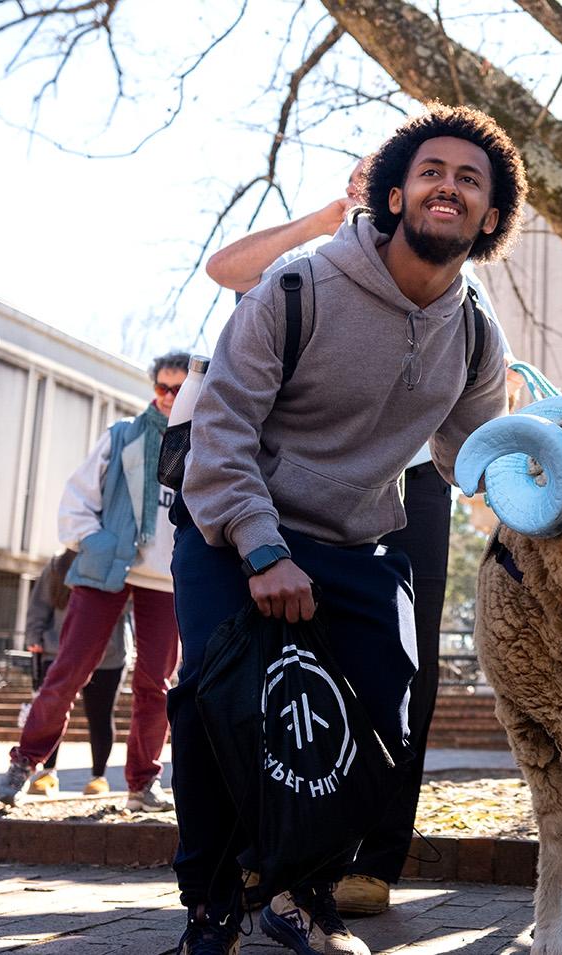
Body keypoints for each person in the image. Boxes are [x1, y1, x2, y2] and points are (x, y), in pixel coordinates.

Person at [170, 104, 520, 955]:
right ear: (394, 196)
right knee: (221, 709)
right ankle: (213, 907)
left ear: (491, 217)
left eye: (471, 179)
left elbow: (472, 459)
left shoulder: (476, 334)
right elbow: (220, 435)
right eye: (432, 171)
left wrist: (544, 504)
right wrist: (261, 548)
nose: (451, 185)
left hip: (358, 539)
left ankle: (302, 896)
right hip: (233, 523)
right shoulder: (298, 288)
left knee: (376, 717)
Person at [0, 352, 186, 812]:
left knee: (156, 684)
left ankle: (142, 782)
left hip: (166, 578)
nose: (169, 398)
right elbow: (77, 497)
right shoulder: (124, 436)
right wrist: (93, 541)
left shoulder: (204, 443)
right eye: (162, 387)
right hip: (106, 567)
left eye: (180, 390)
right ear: (152, 388)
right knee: (67, 671)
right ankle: (25, 763)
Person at [22, 550, 128, 797]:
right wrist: (34, 636)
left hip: (108, 655)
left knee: (100, 716)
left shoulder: (122, 560)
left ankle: (98, 776)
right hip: (58, 650)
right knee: (53, 710)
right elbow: (40, 603)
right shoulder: (58, 564)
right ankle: (47, 773)